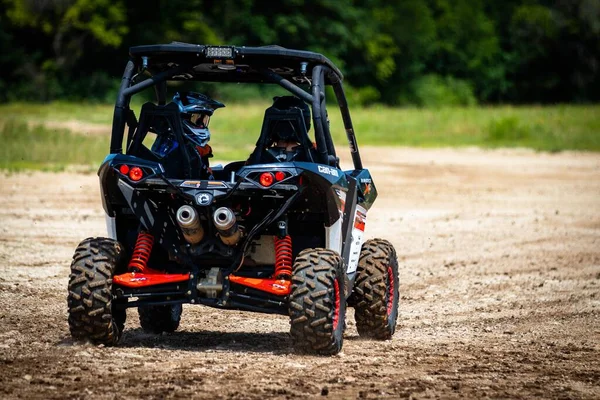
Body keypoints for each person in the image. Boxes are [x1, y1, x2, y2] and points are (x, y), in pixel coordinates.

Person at [171, 91, 225, 178]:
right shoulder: (173, 144)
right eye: (196, 118)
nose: (201, 125)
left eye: (204, 119)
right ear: (182, 117)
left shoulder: (191, 146)